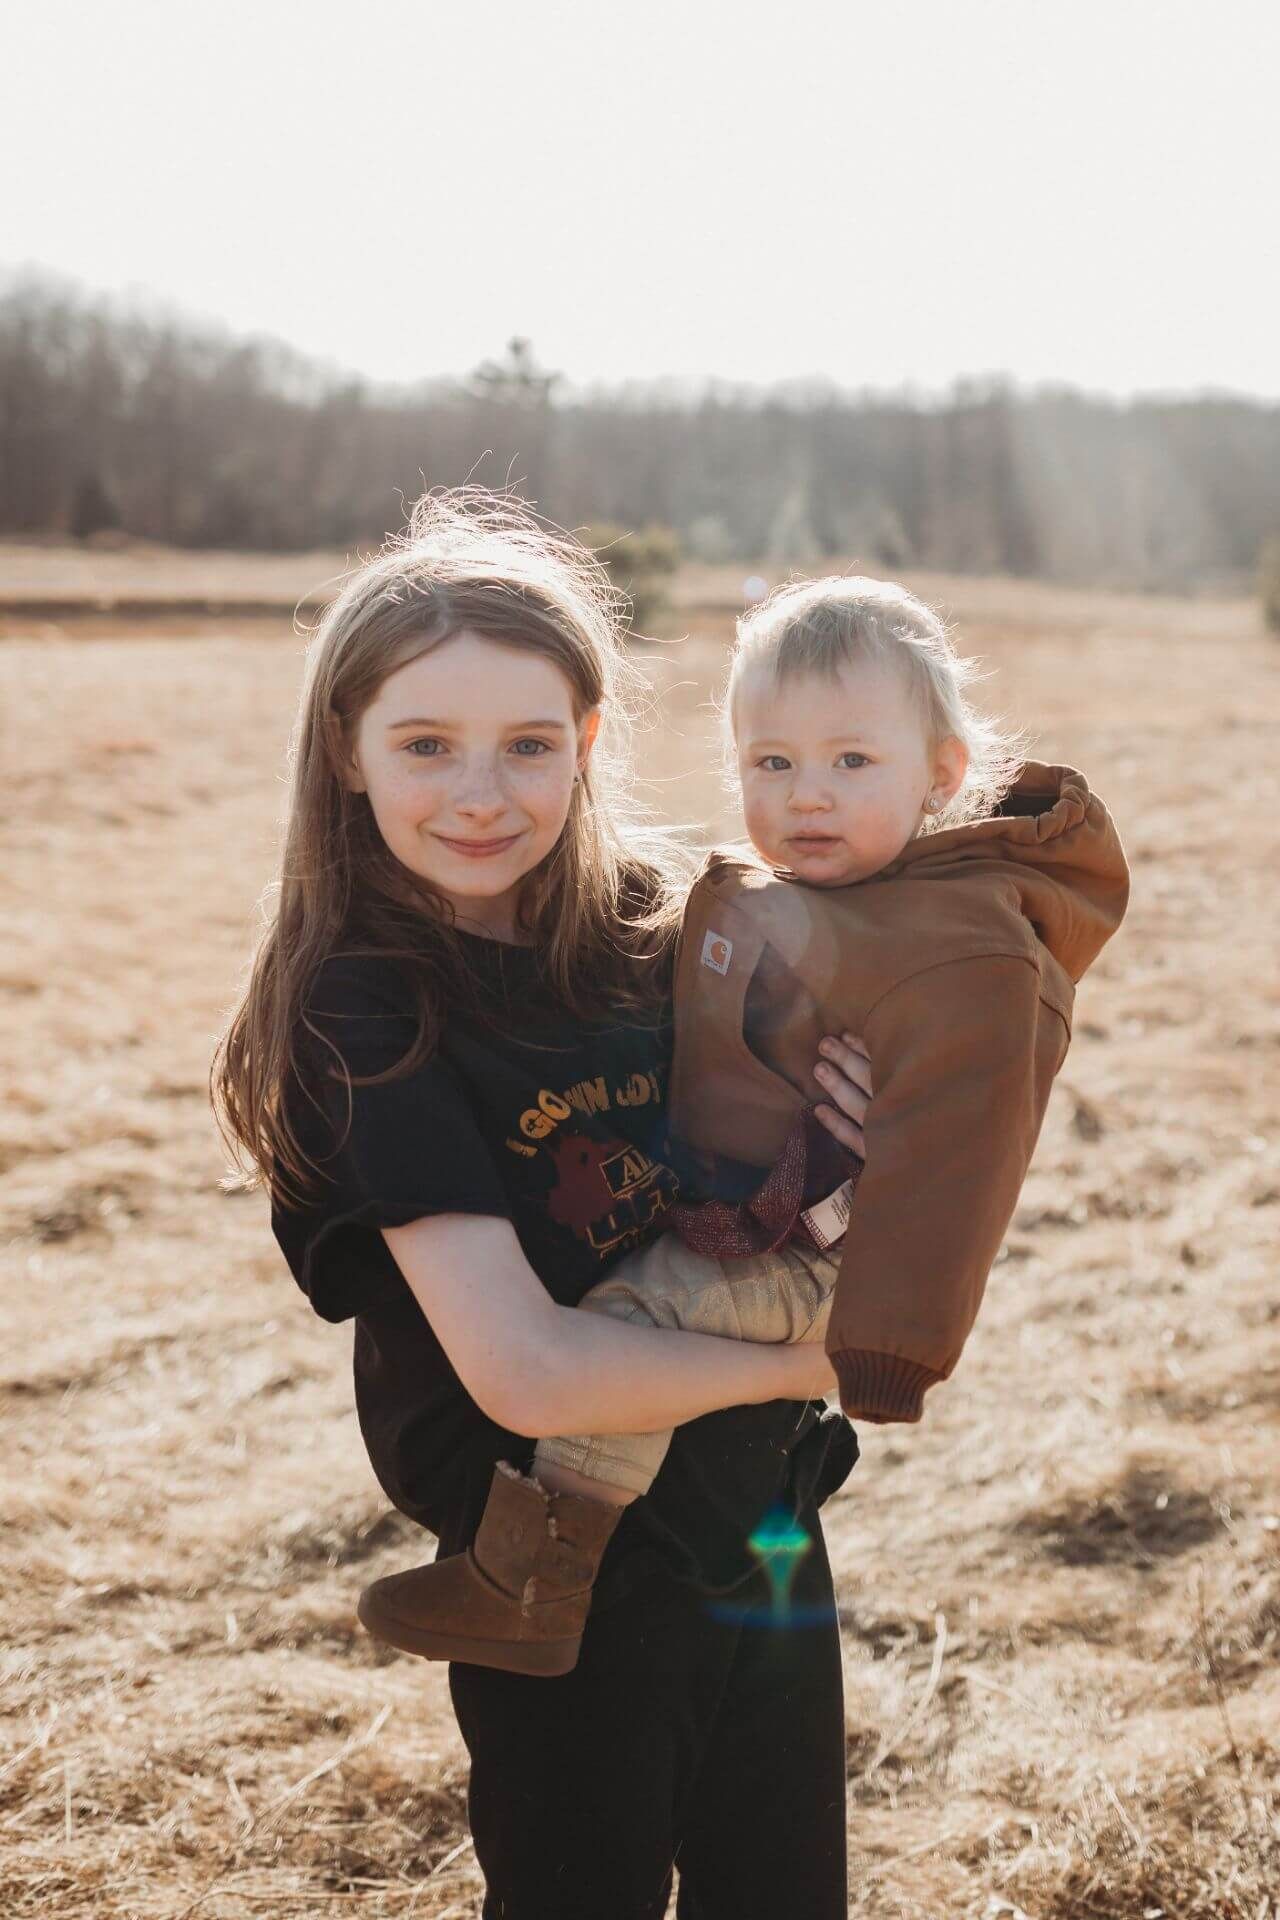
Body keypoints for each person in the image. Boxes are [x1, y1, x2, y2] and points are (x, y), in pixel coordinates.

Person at [213, 492, 874, 1920]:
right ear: (347, 750)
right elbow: (527, 1368)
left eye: (528, 744)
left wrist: (852, 1141)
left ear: (584, 741)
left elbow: (790, 1197)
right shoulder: (366, 1015)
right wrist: (836, 1353)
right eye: (426, 744)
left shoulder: (667, 939)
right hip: (555, 1595)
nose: (479, 793)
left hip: (763, 1532)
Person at [360, 571, 1129, 1678]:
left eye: (849, 762)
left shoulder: (964, 947)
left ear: (940, 775)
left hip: (820, 1259)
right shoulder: (771, 892)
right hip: (749, 1217)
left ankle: (534, 1578)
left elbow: (954, 1169)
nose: (805, 796)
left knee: (643, 1309)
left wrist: (884, 1349)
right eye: (771, 763)